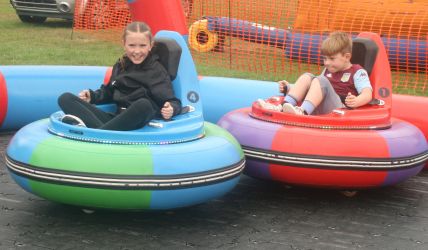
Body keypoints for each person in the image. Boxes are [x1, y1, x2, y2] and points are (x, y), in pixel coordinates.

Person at [58, 21, 181, 131]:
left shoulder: (155, 70)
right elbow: (110, 91)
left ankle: (96, 133)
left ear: (150, 45)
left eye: (142, 45)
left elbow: (172, 101)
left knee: (144, 104)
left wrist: (171, 109)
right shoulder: (121, 64)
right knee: (65, 98)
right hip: (116, 119)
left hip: (139, 120)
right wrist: (93, 96)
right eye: (132, 45)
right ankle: (101, 132)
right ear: (124, 44)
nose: (137, 51)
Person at [258, 31, 373, 115]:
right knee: (307, 76)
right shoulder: (328, 70)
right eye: (325, 58)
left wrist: (356, 101)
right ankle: (283, 106)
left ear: (347, 57)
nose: (327, 63)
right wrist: (289, 88)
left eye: (332, 59)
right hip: (321, 105)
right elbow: (315, 90)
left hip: (340, 108)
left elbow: (367, 94)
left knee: (320, 80)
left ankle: (303, 111)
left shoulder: (358, 72)